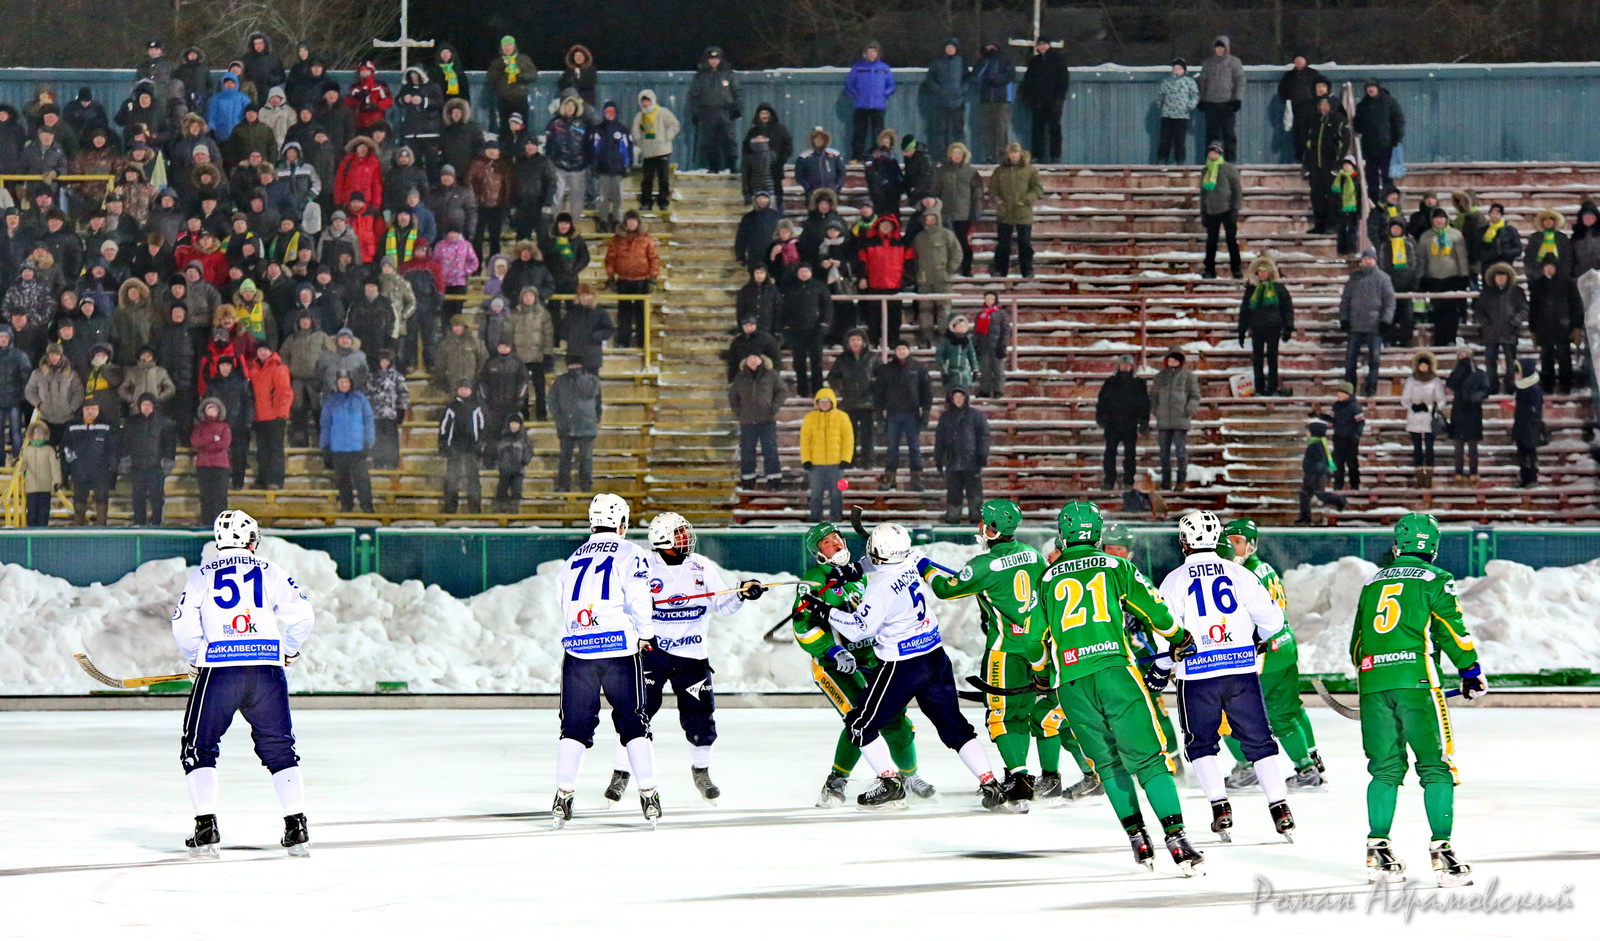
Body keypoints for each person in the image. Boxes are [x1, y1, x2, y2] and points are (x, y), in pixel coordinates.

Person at [1038, 502, 1202, 869]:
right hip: (1116, 673)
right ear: (1097, 533)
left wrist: (1039, 671)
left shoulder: (1047, 578)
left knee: (1109, 765)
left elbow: (1036, 636)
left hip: (1073, 682)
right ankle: (1177, 840)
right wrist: (1178, 637)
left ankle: (1138, 840)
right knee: (1148, 760)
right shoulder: (1116, 566)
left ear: (1063, 534)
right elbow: (1156, 610)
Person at [810, 523, 1006, 810]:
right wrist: (855, 570)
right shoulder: (913, 559)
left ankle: (890, 784)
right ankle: (990, 784)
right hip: (936, 659)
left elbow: (859, 629)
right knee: (955, 728)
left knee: (860, 725)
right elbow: (884, 561)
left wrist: (827, 611)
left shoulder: (879, 589)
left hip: (902, 667)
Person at [171, 510, 316, 858]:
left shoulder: (202, 575)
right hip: (267, 671)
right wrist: (289, 651)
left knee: (198, 747)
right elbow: (304, 616)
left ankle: (206, 828)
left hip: (220, 672)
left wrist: (195, 657)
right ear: (252, 539)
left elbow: (183, 626)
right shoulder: (270, 570)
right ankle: (296, 826)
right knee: (280, 747)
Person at [1349, 513, 1483, 886]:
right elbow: (1450, 629)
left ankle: (1378, 850)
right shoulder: (1435, 580)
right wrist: (1470, 670)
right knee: (1436, 767)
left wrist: (1379, 671)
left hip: (1373, 684)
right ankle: (1444, 855)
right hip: (1419, 685)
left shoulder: (1372, 583)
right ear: (1433, 545)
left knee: (1384, 769)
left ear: (1399, 544)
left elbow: (1357, 645)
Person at [1149, 509, 1294, 844]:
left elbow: (1166, 631)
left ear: (1184, 540)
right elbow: (1272, 620)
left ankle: (1220, 807)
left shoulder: (1174, 579)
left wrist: (1160, 668)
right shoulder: (1239, 573)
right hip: (1241, 670)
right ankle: (1280, 807)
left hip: (1197, 674)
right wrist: (1255, 638)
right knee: (1260, 740)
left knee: (1201, 744)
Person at [603, 513, 764, 804]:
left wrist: (742, 593)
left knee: (701, 718)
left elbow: (722, 604)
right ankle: (620, 772)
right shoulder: (644, 568)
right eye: (679, 534)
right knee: (635, 713)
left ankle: (701, 771)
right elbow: (623, 607)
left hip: (692, 657)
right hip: (652, 653)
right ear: (663, 540)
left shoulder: (700, 565)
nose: (686, 538)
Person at [551, 494, 661, 827]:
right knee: (633, 721)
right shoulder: (631, 552)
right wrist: (646, 632)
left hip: (579, 651)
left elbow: (562, 600)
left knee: (574, 727)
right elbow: (640, 597)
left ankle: (562, 796)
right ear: (623, 524)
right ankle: (649, 795)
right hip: (618, 651)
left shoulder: (573, 557)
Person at [1215, 519, 1325, 788]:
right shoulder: (1264, 568)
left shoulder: (1241, 575)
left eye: (1237, 542)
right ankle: (1309, 763)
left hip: (1265, 654)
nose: (1231, 548)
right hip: (1284, 647)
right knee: (1289, 711)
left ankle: (1248, 767)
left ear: (1251, 545)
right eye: (1227, 542)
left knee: (1227, 714)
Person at [874, 341, 932, 492]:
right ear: (895, 351)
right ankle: (890, 478)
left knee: (914, 447)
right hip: (893, 414)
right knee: (892, 447)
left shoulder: (918, 368)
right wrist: (879, 415)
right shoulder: (886, 369)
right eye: (898, 349)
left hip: (912, 413)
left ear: (909, 350)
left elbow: (926, 392)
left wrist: (925, 413)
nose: (901, 351)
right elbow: (879, 393)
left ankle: (916, 479)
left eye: (904, 349)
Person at [1339, 249, 1396, 397]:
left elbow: (1389, 302)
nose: (1367, 261)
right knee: (1350, 360)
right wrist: (1344, 319)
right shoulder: (1354, 278)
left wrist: (1386, 320)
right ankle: (1349, 389)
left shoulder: (1383, 278)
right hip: (1355, 325)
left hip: (1375, 325)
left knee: (1375, 359)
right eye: (1365, 259)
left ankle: (1371, 388)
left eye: (1370, 259)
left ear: (1375, 260)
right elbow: (1345, 301)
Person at [1238, 255, 1294, 396]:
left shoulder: (1279, 288)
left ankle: (1272, 386)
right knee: (1257, 358)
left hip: (1273, 328)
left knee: (1272, 358)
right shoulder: (1251, 289)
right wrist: (1241, 330)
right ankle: (1259, 386)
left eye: (1265, 271)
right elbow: (1245, 310)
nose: (1262, 274)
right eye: (1260, 271)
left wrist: (1288, 327)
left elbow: (1287, 308)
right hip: (1256, 328)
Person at [319, 372, 374, 513]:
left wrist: (368, 441)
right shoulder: (331, 401)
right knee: (343, 481)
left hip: (357, 447)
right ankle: (346, 505)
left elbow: (369, 421)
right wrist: (325, 445)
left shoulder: (360, 399)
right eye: (341, 382)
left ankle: (367, 506)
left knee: (362, 480)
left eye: (346, 382)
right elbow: (325, 424)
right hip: (338, 447)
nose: (343, 385)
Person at [729, 352, 785, 490]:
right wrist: (739, 412)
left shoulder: (771, 375)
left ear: (761, 360)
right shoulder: (740, 377)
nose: (753, 361)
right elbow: (733, 396)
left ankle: (774, 479)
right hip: (747, 421)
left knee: (770, 450)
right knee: (747, 451)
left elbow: (782, 391)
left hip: (767, 420)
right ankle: (748, 479)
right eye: (750, 358)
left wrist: (774, 407)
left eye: (755, 358)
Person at [1528, 256, 1583, 395]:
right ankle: (1547, 386)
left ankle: (1565, 386)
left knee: (1564, 358)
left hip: (1563, 328)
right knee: (1546, 358)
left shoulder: (1567, 282)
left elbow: (1576, 305)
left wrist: (1577, 326)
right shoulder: (1537, 284)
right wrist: (1533, 329)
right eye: (1546, 266)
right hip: (1544, 329)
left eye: (1551, 266)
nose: (1549, 269)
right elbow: (1533, 308)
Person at [933, 387, 988, 524]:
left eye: (961, 396)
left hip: (972, 461)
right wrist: (938, 458)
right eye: (955, 396)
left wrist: (982, 454)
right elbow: (939, 439)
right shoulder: (945, 417)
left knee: (975, 495)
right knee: (953, 496)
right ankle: (952, 521)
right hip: (952, 462)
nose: (958, 399)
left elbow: (983, 436)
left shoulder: (975, 415)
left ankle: (977, 522)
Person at [120, 393, 177, 525]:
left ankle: (157, 522)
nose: (146, 407)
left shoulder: (163, 422)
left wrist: (167, 461)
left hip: (155, 468)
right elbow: (125, 443)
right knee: (138, 497)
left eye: (149, 405)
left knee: (156, 498)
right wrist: (125, 460)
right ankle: (139, 522)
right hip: (137, 467)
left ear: (154, 406)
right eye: (144, 404)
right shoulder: (132, 422)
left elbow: (169, 443)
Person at [989, 143, 1042, 279]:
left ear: (1020, 153)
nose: (1013, 155)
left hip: (1023, 213)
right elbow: (993, 190)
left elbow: (1037, 189)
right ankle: (1000, 270)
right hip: (1005, 213)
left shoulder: (1030, 170)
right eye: (1011, 153)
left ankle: (1027, 270)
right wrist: (999, 202)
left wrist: (1027, 200)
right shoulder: (999, 171)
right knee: (1003, 245)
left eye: (1016, 152)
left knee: (1025, 244)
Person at [1150, 349, 1201, 491]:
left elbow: (1195, 396)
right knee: (1164, 452)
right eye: (1170, 360)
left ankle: (1181, 481)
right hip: (1164, 420)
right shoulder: (1160, 377)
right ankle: (1166, 481)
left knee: (1180, 452)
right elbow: (1153, 396)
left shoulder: (1188, 377)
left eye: (1175, 360)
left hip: (1181, 420)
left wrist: (1188, 409)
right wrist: (1156, 411)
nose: (1172, 363)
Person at [1418, 207, 1469, 347]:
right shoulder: (1426, 236)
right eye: (1436, 218)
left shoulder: (1455, 235)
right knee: (1437, 310)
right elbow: (1422, 258)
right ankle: (1439, 338)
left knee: (1451, 310)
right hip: (1434, 277)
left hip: (1452, 276)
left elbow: (1462, 256)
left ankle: (1451, 337)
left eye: (1441, 217)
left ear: (1446, 219)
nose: (1439, 220)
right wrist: (1421, 276)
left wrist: (1464, 275)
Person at [1473, 261, 1527, 395]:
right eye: (1498, 275)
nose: (1501, 278)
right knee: (1490, 363)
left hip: (1510, 333)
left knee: (1511, 363)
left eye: (1503, 275)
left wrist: (1515, 322)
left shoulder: (1516, 291)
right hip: (1491, 333)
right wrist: (1485, 324)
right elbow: (1479, 311)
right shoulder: (1487, 292)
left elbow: (1524, 309)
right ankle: (1492, 386)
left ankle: (1510, 386)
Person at [549, 355, 601, 492]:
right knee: (566, 458)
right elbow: (552, 401)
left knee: (585, 459)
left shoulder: (590, 380)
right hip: (568, 424)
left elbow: (593, 396)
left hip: (585, 424)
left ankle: (585, 486)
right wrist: (558, 418)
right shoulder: (561, 381)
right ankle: (564, 485)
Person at [826, 328, 877, 468]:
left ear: (864, 342)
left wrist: (874, 387)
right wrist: (841, 387)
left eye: (859, 340)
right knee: (849, 435)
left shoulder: (873, 358)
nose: (856, 343)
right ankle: (850, 459)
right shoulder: (842, 359)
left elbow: (882, 376)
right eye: (853, 340)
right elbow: (832, 376)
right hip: (849, 402)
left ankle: (868, 461)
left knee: (868, 435)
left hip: (868, 402)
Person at [1096, 354, 1148, 491]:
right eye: (1123, 365)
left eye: (1128, 365)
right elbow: (1102, 401)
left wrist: (1144, 420)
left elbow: (1144, 403)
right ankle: (1109, 481)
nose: (1125, 367)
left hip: (1130, 424)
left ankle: (1129, 481)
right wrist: (1100, 416)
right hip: (1112, 424)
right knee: (1110, 454)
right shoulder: (1110, 382)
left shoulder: (1138, 384)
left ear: (1132, 367)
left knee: (1130, 455)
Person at [911, 207, 961, 348]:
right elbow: (914, 258)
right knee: (925, 311)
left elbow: (957, 253)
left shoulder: (947, 235)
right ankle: (926, 338)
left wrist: (949, 270)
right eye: (927, 219)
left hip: (942, 280)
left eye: (932, 218)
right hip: (924, 279)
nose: (930, 221)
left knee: (943, 309)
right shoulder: (919, 238)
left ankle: (943, 338)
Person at [686, 46, 741, 173]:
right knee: (710, 141)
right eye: (711, 59)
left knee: (729, 139)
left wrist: (737, 108)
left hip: (725, 111)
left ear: (721, 59)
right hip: (707, 112)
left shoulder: (728, 74)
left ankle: (732, 165)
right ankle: (713, 167)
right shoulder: (700, 76)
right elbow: (694, 96)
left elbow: (737, 92)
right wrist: (695, 113)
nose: (714, 61)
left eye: (716, 58)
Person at [782, 262, 833, 398]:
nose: (803, 274)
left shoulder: (819, 287)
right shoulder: (791, 288)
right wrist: (786, 327)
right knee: (799, 363)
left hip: (815, 330)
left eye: (806, 271)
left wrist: (824, 324)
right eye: (801, 271)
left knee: (816, 363)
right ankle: (802, 391)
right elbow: (785, 309)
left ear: (810, 272)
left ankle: (818, 391)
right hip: (796, 330)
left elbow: (827, 306)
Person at [62, 402, 116, 525]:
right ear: (82, 410)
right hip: (79, 472)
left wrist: (111, 470)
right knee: (79, 501)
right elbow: (65, 448)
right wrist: (67, 471)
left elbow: (113, 450)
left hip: (101, 473)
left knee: (101, 500)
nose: (90, 411)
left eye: (93, 409)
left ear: (98, 410)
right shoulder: (72, 426)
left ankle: (102, 528)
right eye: (87, 409)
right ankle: (79, 528)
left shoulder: (107, 426)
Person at [1352, 80, 1404, 202]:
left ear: (1378, 88)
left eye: (1372, 87)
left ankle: (1390, 202)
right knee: (1371, 177)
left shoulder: (1389, 101)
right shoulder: (1363, 105)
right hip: (1369, 146)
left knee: (1387, 176)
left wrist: (1397, 137)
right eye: (1368, 88)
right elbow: (1357, 123)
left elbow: (1398, 120)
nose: (1370, 90)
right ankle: (1373, 202)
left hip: (1387, 145)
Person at [1401, 350, 1446, 488]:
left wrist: (1430, 407)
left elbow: (1441, 400)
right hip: (1414, 417)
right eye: (1421, 366)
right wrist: (1412, 406)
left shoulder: (1435, 381)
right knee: (1417, 448)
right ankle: (1419, 477)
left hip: (1428, 418)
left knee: (1429, 448)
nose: (1423, 368)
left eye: (1425, 366)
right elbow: (1404, 399)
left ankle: (1429, 478)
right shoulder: (1411, 381)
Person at [1020, 38, 1069, 163]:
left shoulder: (1057, 59)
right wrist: (1027, 96)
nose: (1041, 47)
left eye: (1043, 44)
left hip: (1053, 101)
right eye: (1039, 44)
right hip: (1037, 101)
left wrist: (1060, 97)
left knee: (1054, 129)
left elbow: (1063, 79)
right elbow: (1028, 81)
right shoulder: (1034, 61)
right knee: (1037, 129)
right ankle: (1037, 155)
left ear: (1048, 45)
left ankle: (1055, 156)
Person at [250, 343, 293, 489]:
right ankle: (263, 479)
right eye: (260, 349)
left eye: (265, 349)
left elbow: (285, 392)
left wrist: (282, 413)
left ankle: (275, 480)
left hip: (275, 416)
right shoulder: (254, 369)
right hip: (259, 416)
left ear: (271, 351)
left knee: (275, 449)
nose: (262, 352)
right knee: (262, 450)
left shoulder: (279, 368)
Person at [438, 381, 484, 514]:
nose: (464, 391)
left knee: (473, 479)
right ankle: (450, 507)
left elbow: (483, 427)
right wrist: (443, 444)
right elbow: (444, 428)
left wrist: (479, 444)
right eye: (461, 388)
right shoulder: (451, 408)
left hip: (472, 448)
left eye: (467, 388)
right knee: (452, 478)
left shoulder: (477, 407)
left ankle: (475, 507)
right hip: (455, 448)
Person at [845, 42, 896, 162]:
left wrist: (884, 94)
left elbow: (891, 85)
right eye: (869, 52)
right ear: (865, 54)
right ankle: (857, 156)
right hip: (861, 104)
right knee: (859, 132)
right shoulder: (858, 68)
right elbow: (849, 83)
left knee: (878, 132)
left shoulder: (884, 68)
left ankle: (877, 155)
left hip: (878, 105)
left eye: (874, 52)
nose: (872, 54)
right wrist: (855, 94)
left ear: (878, 54)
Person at [1199, 141, 1242, 279]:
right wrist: (1203, 212)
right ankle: (1210, 269)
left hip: (1227, 210)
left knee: (1231, 240)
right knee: (1211, 241)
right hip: (1211, 211)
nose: (1213, 155)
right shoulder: (1206, 170)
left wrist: (1235, 208)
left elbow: (1236, 190)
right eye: (1211, 152)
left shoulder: (1228, 168)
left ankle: (1236, 269)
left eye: (1215, 152)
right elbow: (1203, 193)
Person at [1445, 348, 1489, 484]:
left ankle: (1473, 472)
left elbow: (1486, 389)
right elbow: (1451, 385)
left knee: (1472, 446)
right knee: (1458, 445)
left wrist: (1476, 397)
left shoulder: (1479, 373)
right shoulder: (1456, 372)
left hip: (1473, 411)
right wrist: (1460, 370)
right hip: (1459, 411)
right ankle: (1458, 472)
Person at [1196, 37, 1243, 162]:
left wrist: (1237, 99)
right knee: (1212, 135)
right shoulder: (1208, 63)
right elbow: (1202, 82)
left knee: (1229, 134)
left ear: (1226, 48)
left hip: (1227, 103)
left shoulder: (1234, 62)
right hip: (1211, 104)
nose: (1219, 50)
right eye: (1217, 47)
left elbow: (1240, 81)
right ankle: (1212, 161)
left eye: (1222, 47)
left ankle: (1230, 161)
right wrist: (1202, 99)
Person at [631, 90, 679, 212]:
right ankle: (646, 202)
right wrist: (639, 142)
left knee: (663, 179)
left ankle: (663, 201)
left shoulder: (663, 112)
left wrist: (668, 136)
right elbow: (635, 131)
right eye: (643, 102)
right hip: (648, 153)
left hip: (662, 150)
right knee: (647, 179)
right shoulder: (640, 116)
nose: (646, 104)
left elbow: (674, 124)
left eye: (648, 101)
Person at [1378, 217, 1420, 347]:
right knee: (1389, 315)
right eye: (1393, 227)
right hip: (1390, 286)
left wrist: (1415, 282)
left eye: (1398, 227)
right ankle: (1389, 339)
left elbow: (1417, 264)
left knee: (1407, 317)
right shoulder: (1385, 245)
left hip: (1407, 285)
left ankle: (1405, 340)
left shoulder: (1410, 243)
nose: (1396, 230)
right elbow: (1382, 266)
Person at [922, 38, 968, 155]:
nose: (950, 49)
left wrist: (962, 90)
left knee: (958, 130)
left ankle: (960, 154)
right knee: (941, 131)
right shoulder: (937, 62)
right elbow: (930, 79)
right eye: (948, 47)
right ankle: (941, 156)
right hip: (941, 102)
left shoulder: (961, 61)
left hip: (957, 102)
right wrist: (938, 89)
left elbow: (967, 78)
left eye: (952, 47)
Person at [1277, 55, 1327, 163]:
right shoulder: (1289, 76)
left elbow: (1324, 85)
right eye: (1297, 61)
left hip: (1312, 107)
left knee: (1313, 131)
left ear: (1305, 61)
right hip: (1296, 108)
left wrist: (1320, 98)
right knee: (1298, 133)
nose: (1299, 63)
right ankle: (1300, 156)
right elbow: (1282, 90)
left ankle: (1312, 155)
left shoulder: (1313, 74)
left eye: (1301, 61)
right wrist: (1287, 98)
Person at [364, 350, 408, 470]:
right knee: (377, 439)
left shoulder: (397, 376)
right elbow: (367, 394)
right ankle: (378, 461)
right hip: (376, 414)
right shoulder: (372, 377)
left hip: (391, 414)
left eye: (386, 361)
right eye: (382, 360)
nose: (384, 363)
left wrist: (401, 410)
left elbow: (403, 394)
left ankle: (392, 461)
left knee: (391, 439)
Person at [191, 397, 232, 523]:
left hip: (220, 466)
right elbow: (195, 441)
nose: (212, 411)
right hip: (204, 466)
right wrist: (213, 438)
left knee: (219, 497)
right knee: (206, 497)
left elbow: (224, 444)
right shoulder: (199, 427)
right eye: (209, 408)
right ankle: (207, 523)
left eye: (214, 408)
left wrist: (205, 444)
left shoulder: (225, 427)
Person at [486, 36, 537, 137]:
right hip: (504, 99)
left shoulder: (523, 60)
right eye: (505, 46)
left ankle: (522, 148)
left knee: (522, 127)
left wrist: (520, 76)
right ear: (501, 48)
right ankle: (506, 149)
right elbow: (490, 78)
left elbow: (533, 75)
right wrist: (500, 68)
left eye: (509, 45)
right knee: (505, 128)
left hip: (520, 99)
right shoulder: (497, 62)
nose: (507, 48)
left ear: (514, 47)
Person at [1154, 59, 1199, 165]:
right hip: (1167, 115)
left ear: (1184, 70)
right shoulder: (1166, 82)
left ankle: (1180, 162)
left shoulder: (1189, 82)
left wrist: (1190, 105)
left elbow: (1195, 95)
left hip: (1182, 115)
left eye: (1179, 68)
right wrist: (1158, 103)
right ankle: (1162, 161)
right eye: (1175, 68)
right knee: (1165, 140)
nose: (1177, 70)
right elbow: (1160, 95)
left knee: (1180, 141)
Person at [1325, 382, 1366, 490]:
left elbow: (1360, 422)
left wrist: (1357, 435)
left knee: (1352, 463)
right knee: (1338, 463)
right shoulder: (1336, 406)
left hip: (1351, 439)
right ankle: (1338, 486)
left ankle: (1355, 485)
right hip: (1338, 438)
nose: (1339, 394)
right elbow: (1331, 419)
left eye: (1341, 392)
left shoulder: (1355, 407)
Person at [20, 419, 60, 526]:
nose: (38, 436)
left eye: (41, 433)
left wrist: (57, 481)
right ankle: (31, 534)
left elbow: (54, 467)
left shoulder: (49, 450)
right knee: (32, 513)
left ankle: (42, 534)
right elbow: (22, 466)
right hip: (31, 487)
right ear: (31, 435)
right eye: (36, 433)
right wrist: (18, 464)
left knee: (43, 513)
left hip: (45, 487)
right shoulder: (26, 450)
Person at [488, 415, 532, 513]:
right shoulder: (503, 438)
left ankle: (513, 512)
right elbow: (496, 450)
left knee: (516, 492)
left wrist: (524, 461)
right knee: (501, 491)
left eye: (516, 423)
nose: (514, 426)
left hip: (518, 470)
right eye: (512, 423)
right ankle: (501, 511)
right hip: (504, 470)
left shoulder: (524, 438)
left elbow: (529, 451)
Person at [1512, 359, 1545, 488]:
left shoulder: (1533, 388)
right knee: (1522, 453)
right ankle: (1525, 478)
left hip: (1530, 425)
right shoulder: (1521, 386)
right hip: (1521, 424)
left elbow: (1535, 408)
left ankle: (1532, 478)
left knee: (1530, 453)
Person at [793, 129, 844, 199]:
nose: (819, 140)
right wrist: (808, 188)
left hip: (831, 192)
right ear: (812, 140)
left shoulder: (834, 155)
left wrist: (837, 187)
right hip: (812, 193)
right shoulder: (804, 157)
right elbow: (799, 176)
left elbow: (841, 172)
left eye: (821, 138)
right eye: (816, 138)